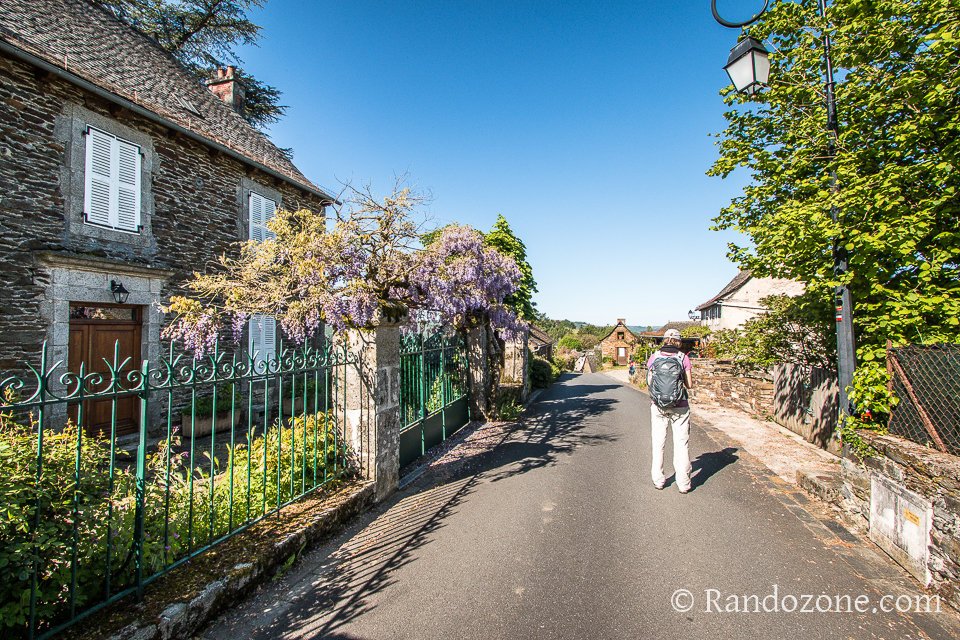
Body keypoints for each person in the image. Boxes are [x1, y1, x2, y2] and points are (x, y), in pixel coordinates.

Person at [646, 329, 693, 493]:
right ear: (679, 342)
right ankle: (684, 484)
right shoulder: (683, 357)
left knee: (658, 443)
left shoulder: (654, 357)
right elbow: (690, 384)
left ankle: (658, 480)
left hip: (658, 405)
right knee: (681, 444)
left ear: (664, 340)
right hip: (680, 406)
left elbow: (650, 381)